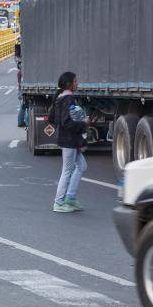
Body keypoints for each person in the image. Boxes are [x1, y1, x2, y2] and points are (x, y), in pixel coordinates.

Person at [48, 72, 88, 213]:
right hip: (69, 140)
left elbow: (52, 118)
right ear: (69, 84)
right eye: (75, 81)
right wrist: (83, 123)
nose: (77, 84)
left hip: (67, 138)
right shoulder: (68, 99)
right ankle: (59, 202)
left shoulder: (59, 97)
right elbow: (67, 122)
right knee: (67, 170)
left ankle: (70, 198)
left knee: (81, 166)